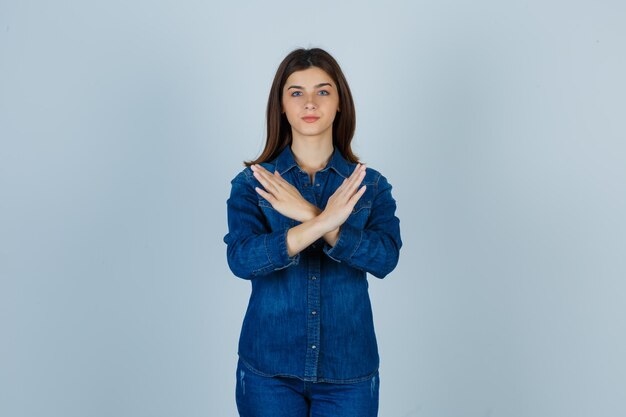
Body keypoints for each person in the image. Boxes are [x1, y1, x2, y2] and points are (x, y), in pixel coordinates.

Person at [223, 47, 402, 417]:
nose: (310, 102)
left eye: (323, 91)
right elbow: (242, 260)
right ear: (282, 106)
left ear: (339, 104)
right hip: (268, 371)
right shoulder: (253, 183)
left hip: (348, 372)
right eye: (296, 92)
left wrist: (306, 214)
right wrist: (323, 221)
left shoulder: (370, 186)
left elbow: (385, 258)